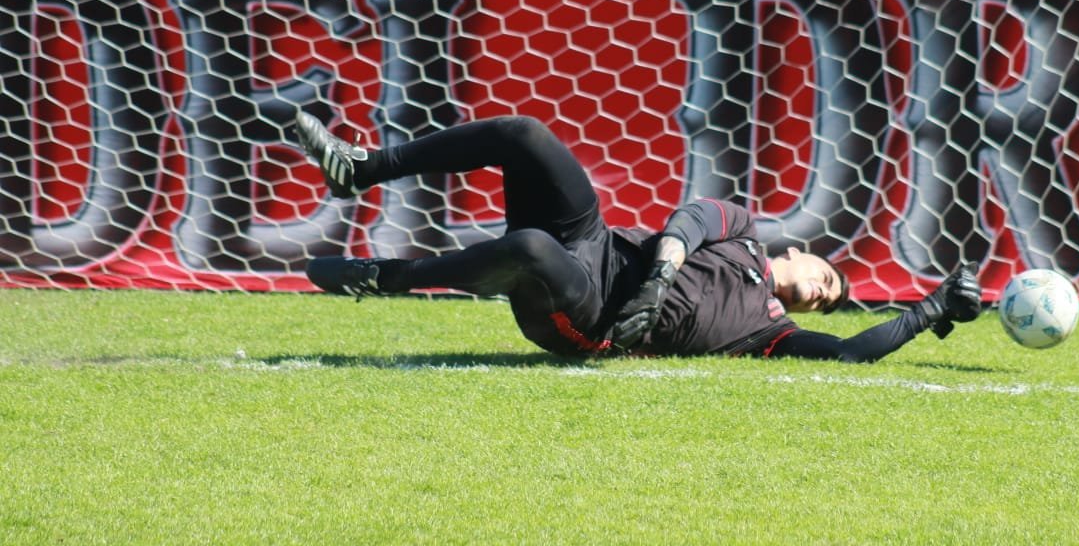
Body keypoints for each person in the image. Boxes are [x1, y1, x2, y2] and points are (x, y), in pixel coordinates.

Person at [294, 110, 981, 361]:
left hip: (588, 314)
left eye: (826, 302)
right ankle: (361, 168)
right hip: (596, 241)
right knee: (522, 134)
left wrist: (929, 311)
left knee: (531, 251)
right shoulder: (744, 230)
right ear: (799, 253)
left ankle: (385, 277)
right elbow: (690, 221)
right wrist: (660, 275)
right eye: (827, 278)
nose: (821, 294)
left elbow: (853, 352)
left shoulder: (769, 334)